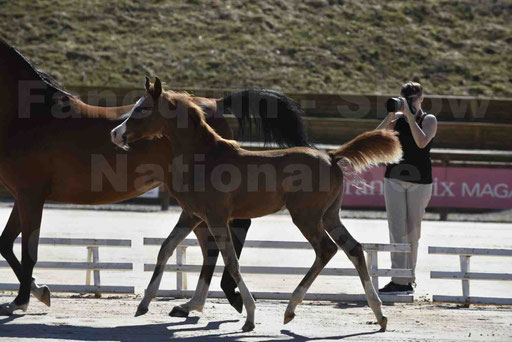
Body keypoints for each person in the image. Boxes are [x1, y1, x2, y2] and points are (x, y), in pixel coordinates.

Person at [376, 81, 437, 294]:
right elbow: (375, 137)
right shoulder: (397, 119)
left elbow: (422, 142)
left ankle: (408, 278)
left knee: (412, 232)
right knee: (396, 230)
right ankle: (398, 279)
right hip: (394, 177)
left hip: (420, 182)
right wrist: (392, 115)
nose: (411, 102)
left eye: (414, 98)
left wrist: (411, 117)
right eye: (407, 99)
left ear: (421, 98)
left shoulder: (428, 119)